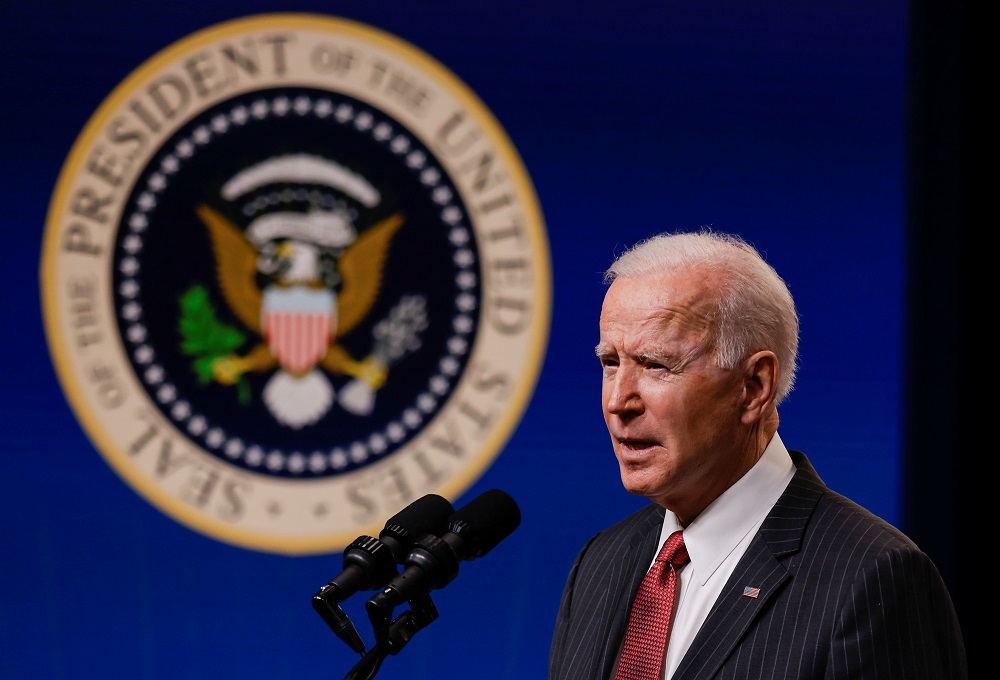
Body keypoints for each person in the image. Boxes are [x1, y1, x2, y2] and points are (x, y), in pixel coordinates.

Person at [548, 229, 967, 680]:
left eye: (655, 365)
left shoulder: (871, 578)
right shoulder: (600, 563)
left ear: (753, 388)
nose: (618, 401)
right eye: (610, 363)